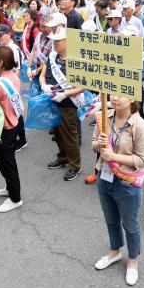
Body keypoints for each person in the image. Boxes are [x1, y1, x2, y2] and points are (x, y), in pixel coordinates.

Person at [92, 93, 144, 286]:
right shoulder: (104, 117)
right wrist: (99, 146)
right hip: (104, 178)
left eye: (121, 94)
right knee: (111, 220)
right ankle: (115, 251)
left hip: (127, 183)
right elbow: (94, 144)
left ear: (133, 99)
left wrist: (113, 157)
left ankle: (132, 261)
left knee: (131, 225)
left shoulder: (140, 126)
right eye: (113, 93)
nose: (115, 98)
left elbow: (143, 160)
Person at [0, 45, 26, 212]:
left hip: (2, 128)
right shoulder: (14, 77)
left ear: (1, 62)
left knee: (7, 163)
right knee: (8, 162)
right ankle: (10, 188)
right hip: (13, 123)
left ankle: (15, 198)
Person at [41, 27, 87, 181]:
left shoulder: (77, 59)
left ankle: (75, 165)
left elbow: (83, 85)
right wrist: (43, 85)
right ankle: (62, 157)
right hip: (52, 98)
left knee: (69, 134)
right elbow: (43, 72)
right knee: (57, 132)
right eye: (54, 40)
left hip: (68, 102)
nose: (55, 43)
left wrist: (66, 94)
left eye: (58, 40)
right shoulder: (53, 55)